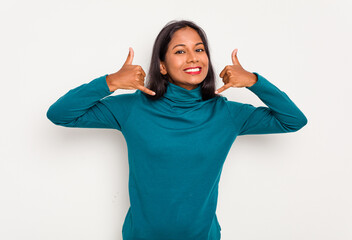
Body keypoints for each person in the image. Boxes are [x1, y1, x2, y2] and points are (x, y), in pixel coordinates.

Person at [46, 20, 307, 240]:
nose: (193, 57)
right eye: (180, 51)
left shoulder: (226, 113)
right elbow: (60, 114)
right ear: (162, 66)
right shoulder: (132, 108)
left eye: (200, 49)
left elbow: (293, 120)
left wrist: (254, 82)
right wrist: (110, 82)